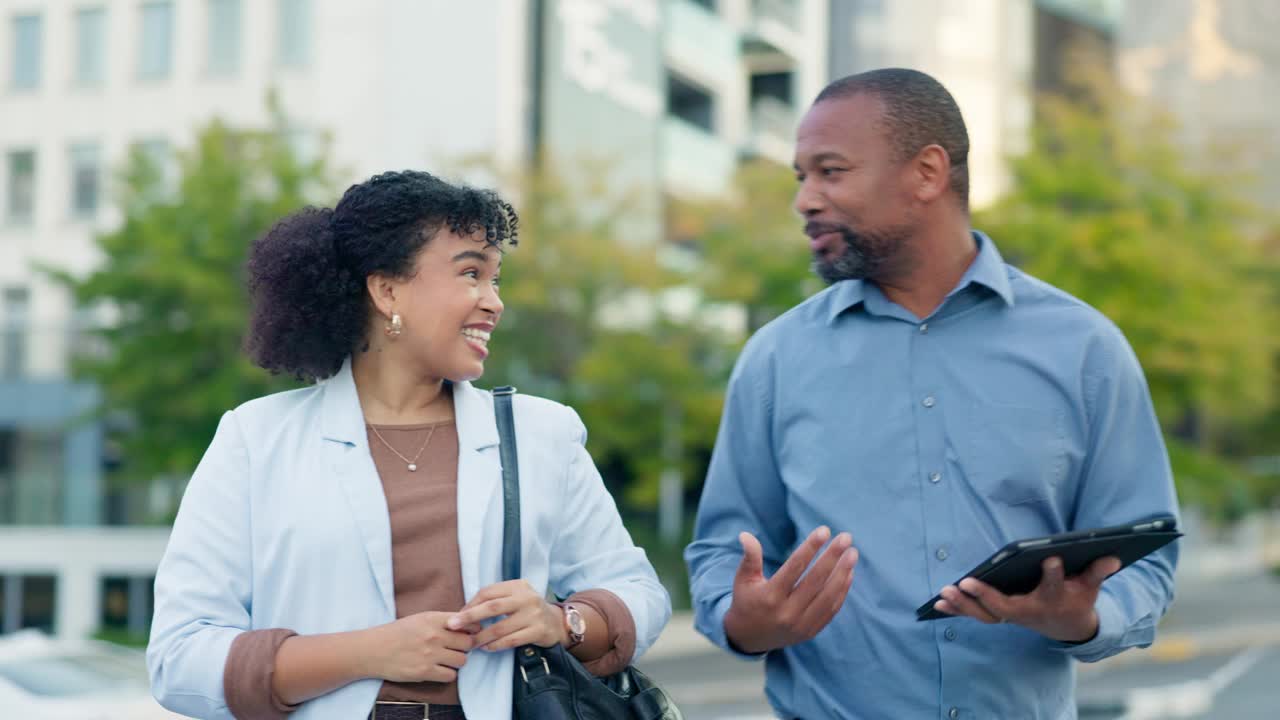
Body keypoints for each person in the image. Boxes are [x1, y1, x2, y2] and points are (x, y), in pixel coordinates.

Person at [685, 68, 1179, 719]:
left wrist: (1084, 617)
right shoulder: (775, 360)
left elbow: (1150, 559)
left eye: (830, 172)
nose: (805, 200)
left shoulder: (1084, 349)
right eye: (801, 177)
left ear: (927, 172)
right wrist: (746, 621)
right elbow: (722, 556)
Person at [147, 170, 671, 720]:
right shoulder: (255, 439)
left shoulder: (544, 433)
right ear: (387, 290)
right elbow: (180, 657)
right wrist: (366, 653)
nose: (494, 302)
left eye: (496, 280)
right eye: (471, 273)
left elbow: (638, 591)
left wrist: (563, 623)